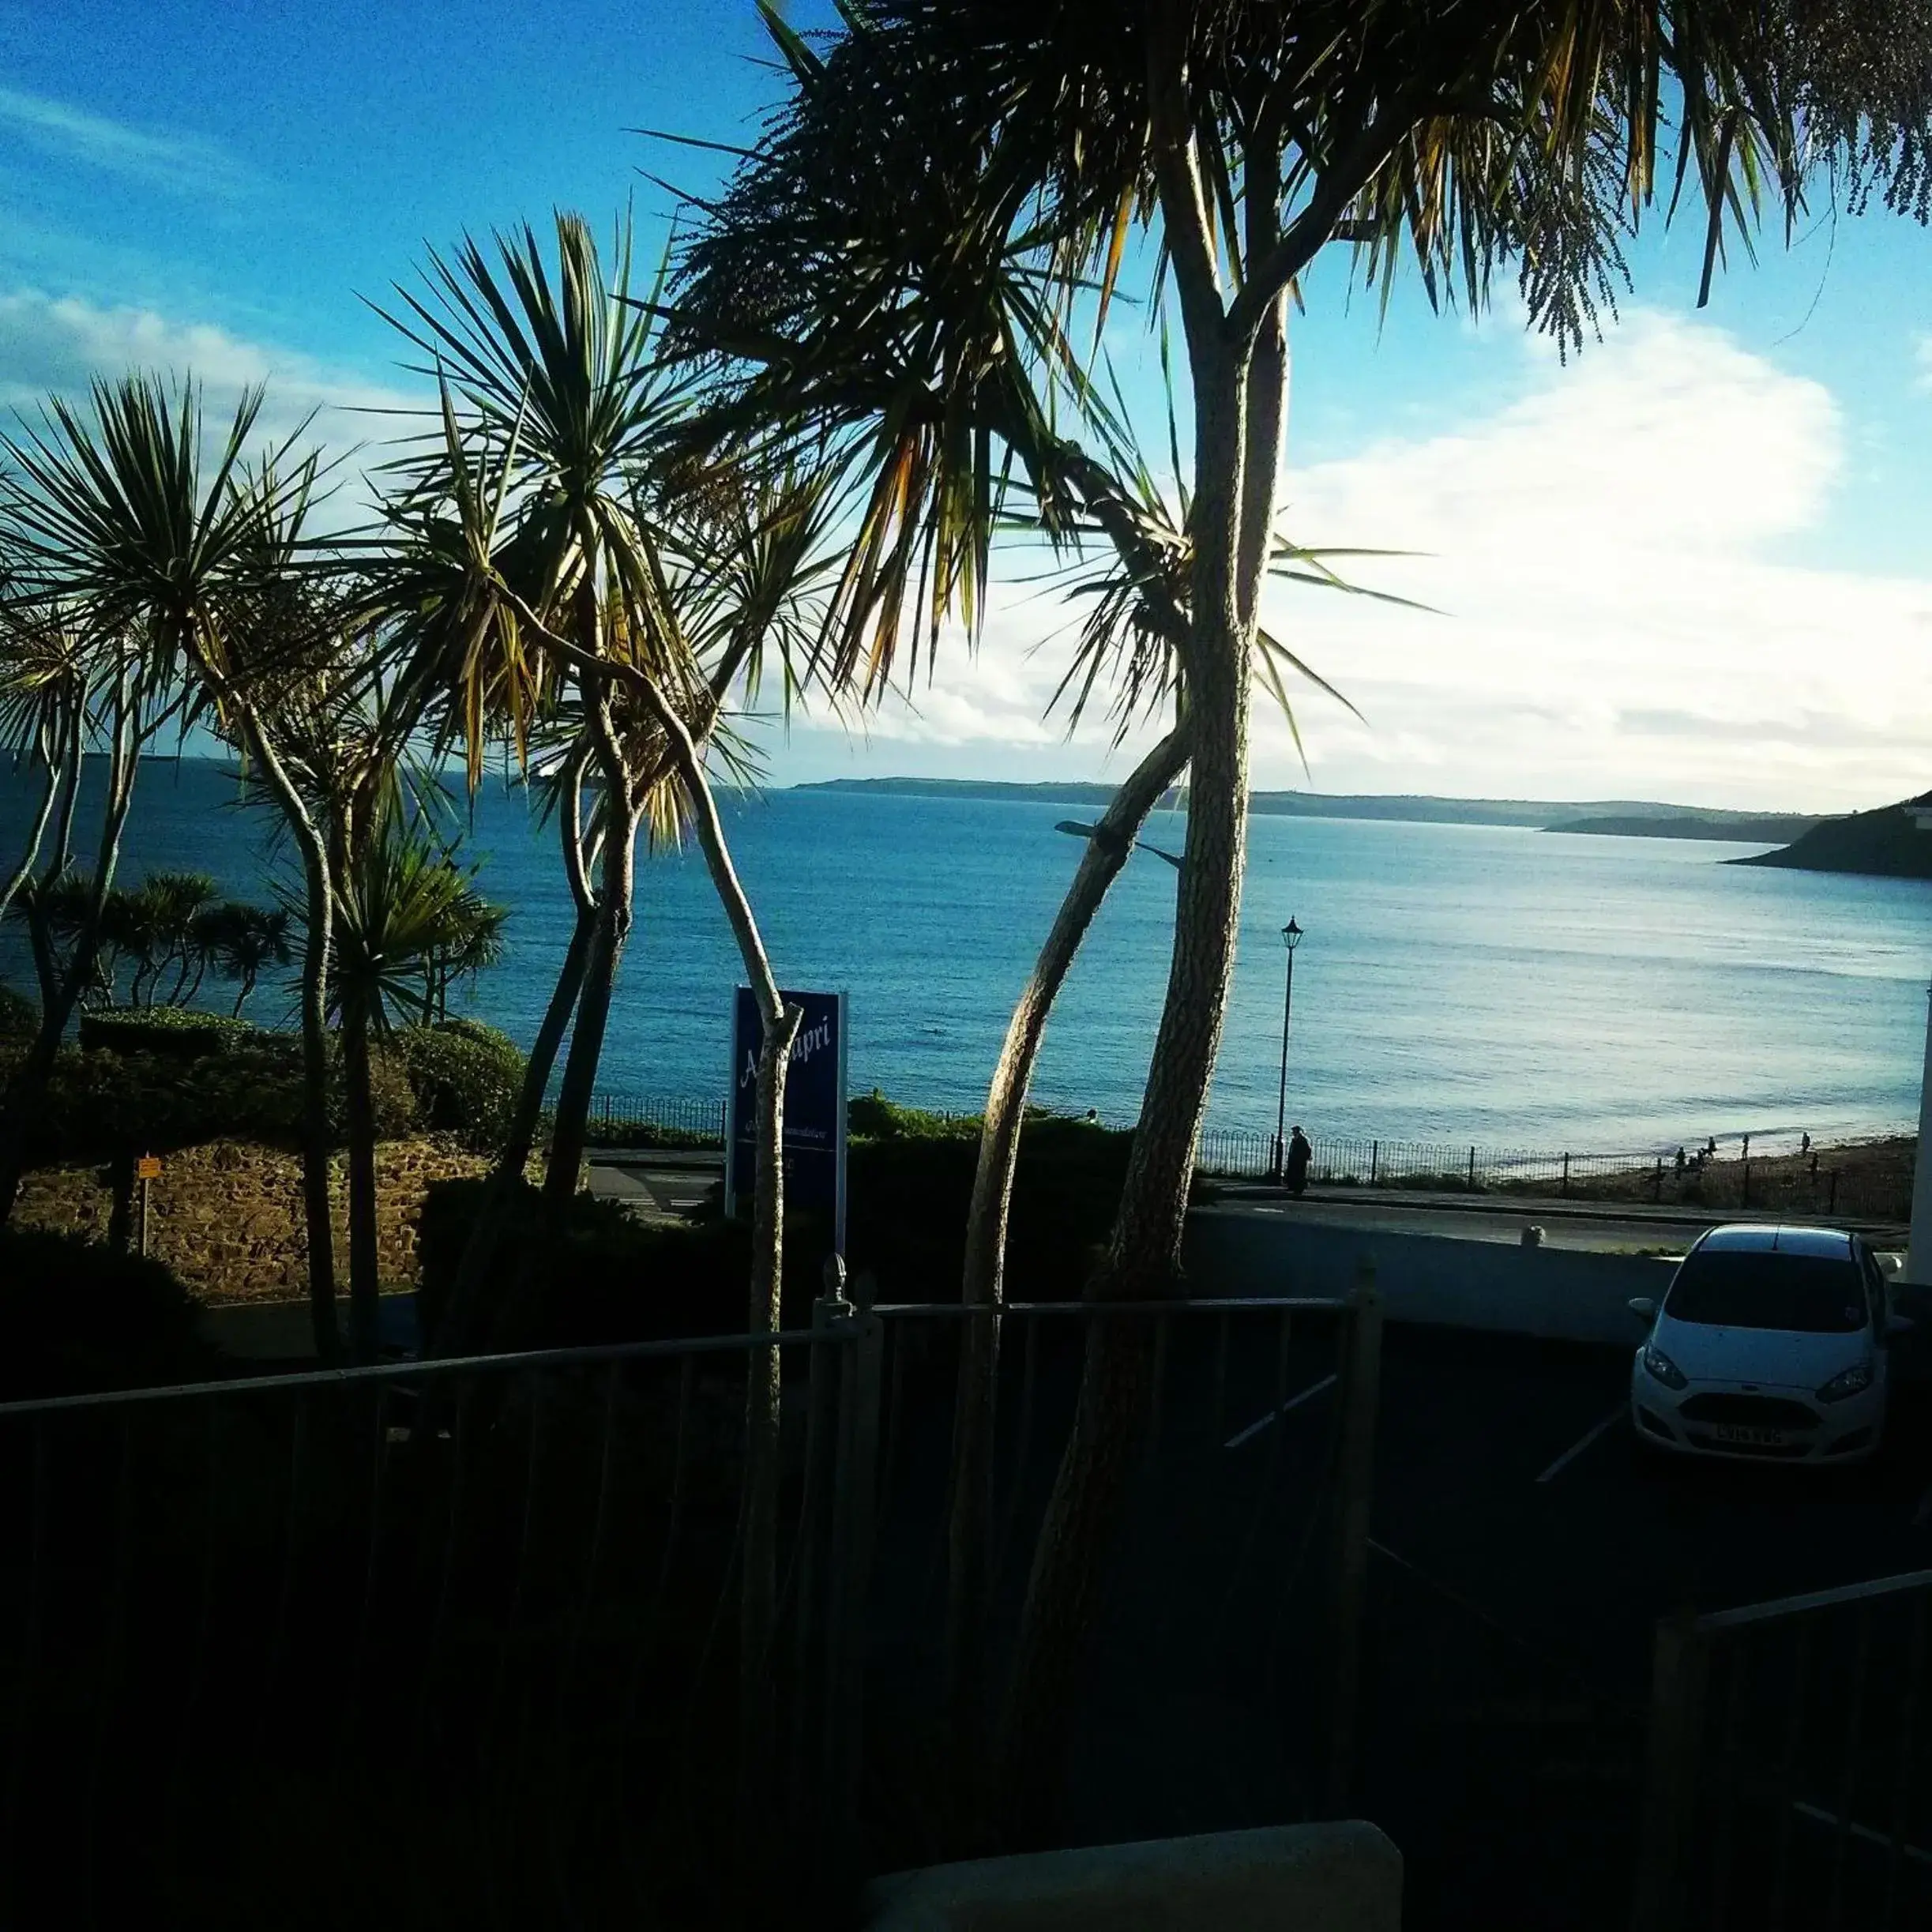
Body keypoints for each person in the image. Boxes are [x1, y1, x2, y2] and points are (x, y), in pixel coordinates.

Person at [1286, 1124, 1313, 1198]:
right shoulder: (1295, 1139)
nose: (1293, 1132)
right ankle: (1292, 1187)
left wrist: (1304, 1157)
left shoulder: (1302, 1140)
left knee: (1299, 1174)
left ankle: (1299, 1189)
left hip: (1299, 1160)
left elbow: (1306, 1150)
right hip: (1294, 1159)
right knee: (1292, 1173)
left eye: (1294, 1131)